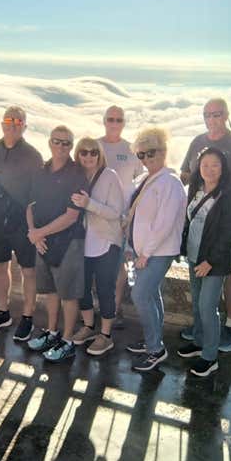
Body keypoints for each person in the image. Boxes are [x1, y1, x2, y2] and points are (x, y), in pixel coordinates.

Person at [179, 98, 231, 352]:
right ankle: (202, 331)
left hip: (226, 221)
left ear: (226, 114)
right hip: (200, 224)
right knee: (199, 282)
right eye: (207, 114)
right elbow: (187, 175)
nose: (212, 119)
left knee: (226, 272)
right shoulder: (197, 142)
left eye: (217, 114)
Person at [124, 127, 186, 372]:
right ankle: (153, 341)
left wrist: (145, 253)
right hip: (144, 251)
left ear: (163, 151)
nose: (146, 159)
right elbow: (136, 217)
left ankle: (155, 350)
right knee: (151, 295)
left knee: (140, 295)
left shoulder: (170, 182)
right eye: (141, 155)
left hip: (157, 252)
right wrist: (133, 246)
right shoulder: (146, 179)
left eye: (151, 153)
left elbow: (164, 223)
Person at [25, 126, 89, 362]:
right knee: (51, 291)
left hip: (69, 242)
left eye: (66, 143)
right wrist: (34, 233)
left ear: (71, 147)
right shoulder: (41, 171)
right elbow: (30, 205)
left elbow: (72, 216)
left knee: (68, 295)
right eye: (57, 142)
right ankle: (52, 333)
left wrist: (39, 233)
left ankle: (68, 340)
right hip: (43, 241)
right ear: (49, 143)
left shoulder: (77, 174)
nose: (61, 147)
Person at [0, 106, 44, 341]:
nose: (13, 124)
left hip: (22, 221)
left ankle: (27, 316)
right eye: (9, 119)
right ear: (2, 124)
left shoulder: (33, 155)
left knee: (28, 269)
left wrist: (35, 225)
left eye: (19, 121)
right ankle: (3, 311)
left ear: (24, 126)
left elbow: (38, 192)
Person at [177, 147, 231, 377]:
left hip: (214, 262)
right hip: (194, 256)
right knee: (197, 304)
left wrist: (210, 261)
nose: (210, 170)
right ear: (198, 167)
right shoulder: (197, 188)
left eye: (215, 165)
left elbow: (228, 233)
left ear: (223, 168)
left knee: (207, 306)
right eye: (205, 165)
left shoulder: (229, 195)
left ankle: (210, 356)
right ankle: (200, 341)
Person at [70, 137, 125, 356]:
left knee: (105, 288)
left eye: (93, 152)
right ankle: (89, 327)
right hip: (82, 241)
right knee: (81, 287)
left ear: (99, 154)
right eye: (83, 152)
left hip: (107, 240)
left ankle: (106, 335)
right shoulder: (76, 176)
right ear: (78, 154)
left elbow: (116, 212)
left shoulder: (109, 176)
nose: (88, 156)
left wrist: (89, 204)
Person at [97, 105, 145, 329]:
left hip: (122, 219)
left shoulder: (131, 150)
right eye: (110, 119)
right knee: (96, 264)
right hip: (95, 217)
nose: (114, 123)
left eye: (118, 120)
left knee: (118, 267)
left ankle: (114, 309)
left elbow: (140, 183)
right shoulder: (94, 147)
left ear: (124, 123)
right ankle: (98, 307)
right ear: (104, 121)